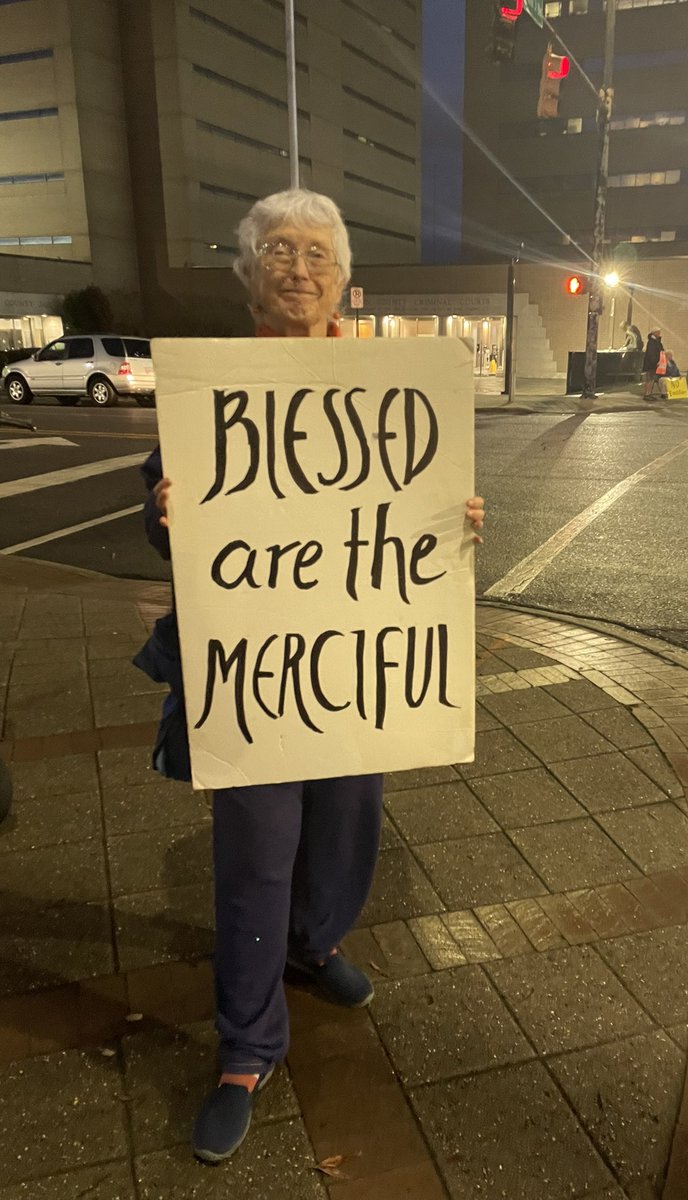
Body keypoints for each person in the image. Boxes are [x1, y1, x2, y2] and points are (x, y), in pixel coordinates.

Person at [135, 188, 486, 1164]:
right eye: (276, 250)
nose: (296, 266)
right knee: (255, 851)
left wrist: (457, 522)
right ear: (251, 275)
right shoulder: (214, 386)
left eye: (314, 251)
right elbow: (170, 526)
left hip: (356, 662)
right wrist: (166, 513)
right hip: (256, 666)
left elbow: (418, 497)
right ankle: (247, 1047)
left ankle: (314, 941)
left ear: (343, 276)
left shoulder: (391, 382)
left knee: (347, 821)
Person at [642, 327, 665, 399]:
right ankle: (647, 394)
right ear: (654, 333)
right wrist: (655, 362)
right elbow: (652, 354)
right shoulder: (652, 342)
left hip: (653, 363)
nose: (659, 334)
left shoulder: (656, 342)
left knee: (651, 379)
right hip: (651, 364)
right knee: (649, 379)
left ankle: (649, 394)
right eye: (658, 332)